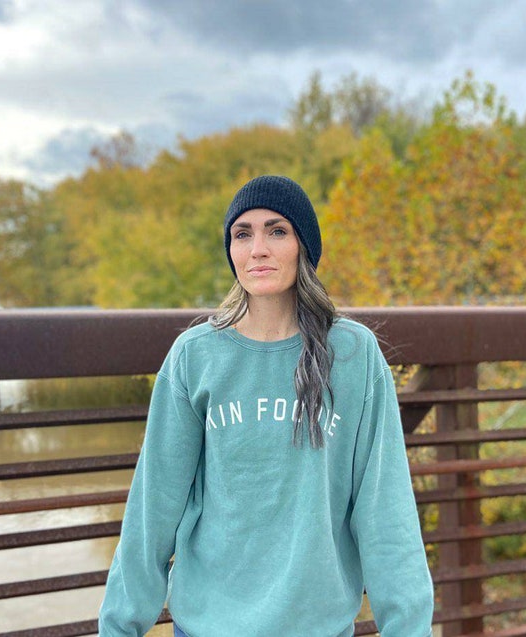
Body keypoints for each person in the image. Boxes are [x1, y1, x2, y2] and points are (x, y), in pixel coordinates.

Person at [98, 175, 434, 637]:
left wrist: (409, 628)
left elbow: (386, 511)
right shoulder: (195, 355)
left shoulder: (353, 355)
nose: (258, 249)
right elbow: (152, 510)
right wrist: (119, 627)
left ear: (303, 247)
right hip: (208, 627)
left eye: (277, 231)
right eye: (243, 234)